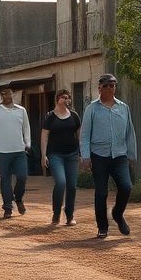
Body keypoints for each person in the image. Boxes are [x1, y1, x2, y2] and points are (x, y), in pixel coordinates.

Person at [79, 74, 138, 238]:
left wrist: (132, 154)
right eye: (106, 85)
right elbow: (85, 134)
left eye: (113, 85)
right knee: (101, 192)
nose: (110, 88)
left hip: (119, 155)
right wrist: (85, 155)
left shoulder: (123, 107)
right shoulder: (92, 108)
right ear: (99, 88)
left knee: (126, 187)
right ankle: (102, 226)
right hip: (99, 156)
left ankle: (118, 214)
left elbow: (129, 132)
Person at [0, 85, 30, 218]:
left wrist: (27, 144)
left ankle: (18, 198)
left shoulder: (21, 111)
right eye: (3, 94)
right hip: (1, 152)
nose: (6, 96)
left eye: (8, 93)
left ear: (13, 94)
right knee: (5, 179)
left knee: (22, 176)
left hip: (19, 150)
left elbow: (26, 129)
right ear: (1, 96)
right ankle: (7, 208)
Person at [41, 89, 82, 226]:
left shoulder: (74, 116)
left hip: (72, 154)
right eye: (64, 97)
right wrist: (43, 155)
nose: (67, 100)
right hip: (55, 155)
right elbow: (44, 136)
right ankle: (56, 213)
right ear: (57, 99)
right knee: (61, 182)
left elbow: (79, 135)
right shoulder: (50, 117)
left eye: (68, 98)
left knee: (72, 186)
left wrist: (82, 152)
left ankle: (69, 215)